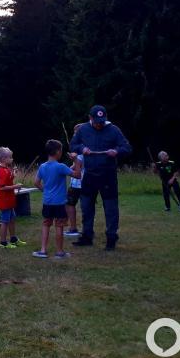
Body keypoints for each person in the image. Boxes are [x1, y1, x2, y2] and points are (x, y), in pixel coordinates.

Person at [69, 105, 132, 250]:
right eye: (97, 121)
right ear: (90, 118)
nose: (100, 124)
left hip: (108, 175)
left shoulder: (114, 130)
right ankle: (87, 236)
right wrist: (81, 149)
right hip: (90, 175)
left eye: (102, 121)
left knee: (110, 208)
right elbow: (73, 145)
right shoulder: (83, 129)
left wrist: (116, 151)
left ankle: (111, 238)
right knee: (86, 206)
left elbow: (127, 148)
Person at [33, 140, 82, 259]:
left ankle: (43, 250)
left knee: (46, 224)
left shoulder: (43, 167)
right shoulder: (61, 167)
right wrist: (75, 160)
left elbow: (36, 182)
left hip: (47, 202)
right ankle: (60, 252)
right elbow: (78, 175)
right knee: (59, 226)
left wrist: (45, 190)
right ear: (58, 152)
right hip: (59, 203)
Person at [0, 147, 26, 249]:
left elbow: (8, 179)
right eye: (10, 157)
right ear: (4, 159)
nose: (12, 159)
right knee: (5, 221)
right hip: (5, 201)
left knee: (12, 219)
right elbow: (2, 187)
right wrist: (15, 186)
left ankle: (13, 239)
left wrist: (14, 174)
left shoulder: (6, 169)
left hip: (9, 200)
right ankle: (3, 242)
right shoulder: (1, 170)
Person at [64, 122, 86, 237]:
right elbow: (74, 166)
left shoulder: (83, 148)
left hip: (80, 183)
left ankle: (74, 229)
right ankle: (81, 228)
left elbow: (80, 165)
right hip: (80, 182)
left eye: (76, 133)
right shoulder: (80, 148)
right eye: (74, 133)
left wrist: (75, 158)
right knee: (72, 204)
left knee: (70, 204)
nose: (74, 135)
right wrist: (65, 170)